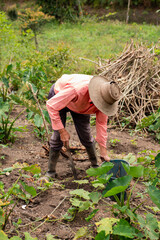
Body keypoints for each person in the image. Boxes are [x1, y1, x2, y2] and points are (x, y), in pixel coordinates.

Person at [46, 74, 121, 178]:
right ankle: (51, 172)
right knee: (57, 137)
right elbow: (51, 105)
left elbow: (102, 126)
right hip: (60, 95)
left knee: (85, 134)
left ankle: (95, 165)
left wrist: (103, 152)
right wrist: (62, 131)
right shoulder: (77, 89)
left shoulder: (105, 100)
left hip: (80, 105)